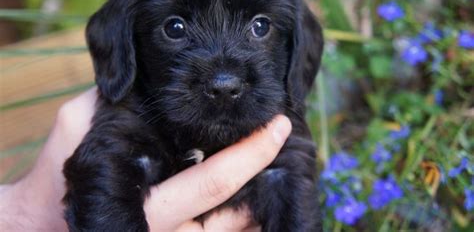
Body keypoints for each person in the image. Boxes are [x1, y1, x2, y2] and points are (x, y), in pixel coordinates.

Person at [0, 88, 291, 231]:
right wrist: (26, 218)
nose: (224, 80)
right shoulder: (130, 132)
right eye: (175, 29)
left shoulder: (284, 159)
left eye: (259, 27)